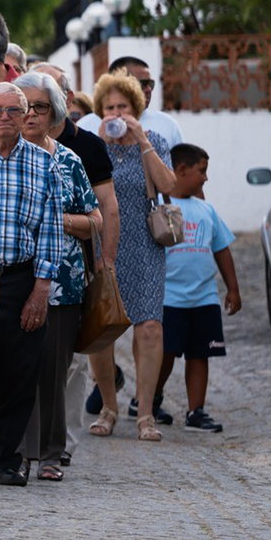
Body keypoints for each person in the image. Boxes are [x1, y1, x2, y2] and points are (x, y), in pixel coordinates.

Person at [0, 82, 71, 486]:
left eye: (14, 110)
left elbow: (51, 230)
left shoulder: (45, 164)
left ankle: (6, 458)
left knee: (21, 369)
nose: (5, 118)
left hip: (24, 277)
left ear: (28, 114)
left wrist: (41, 288)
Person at [14, 72, 99, 482]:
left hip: (63, 281)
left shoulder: (69, 160)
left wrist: (57, 222)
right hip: (13, 278)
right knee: (14, 366)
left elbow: (95, 219)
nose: (30, 114)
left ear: (55, 114)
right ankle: (15, 450)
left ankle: (50, 453)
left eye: (39, 107)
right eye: (22, 106)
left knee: (53, 368)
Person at [85, 70, 177, 440]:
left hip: (145, 243)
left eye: (123, 106)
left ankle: (146, 413)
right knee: (102, 328)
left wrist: (141, 140)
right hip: (104, 244)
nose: (117, 113)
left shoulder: (152, 139)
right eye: (110, 107)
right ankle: (108, 406)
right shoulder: (93, 145)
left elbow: (170, 185)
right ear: (100, 112)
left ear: (135, 108)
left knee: (151, 326)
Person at [156, 143, 240, 433]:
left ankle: (196, 411)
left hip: (204, 298)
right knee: (164, 353)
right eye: (201, 171)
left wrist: (232, 289)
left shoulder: (207, 209)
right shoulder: (160, 205)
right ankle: (151, 399)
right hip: (169, 297)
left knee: (200, 353)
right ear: (181, 170)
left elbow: (222, 250)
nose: (205, 178)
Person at [76, 55, 184, 149]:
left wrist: (145, 145)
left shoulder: (168, 125)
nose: (148, 89)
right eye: (142, 84)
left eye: (150, 83)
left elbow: (177, 170)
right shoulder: (85, 127)